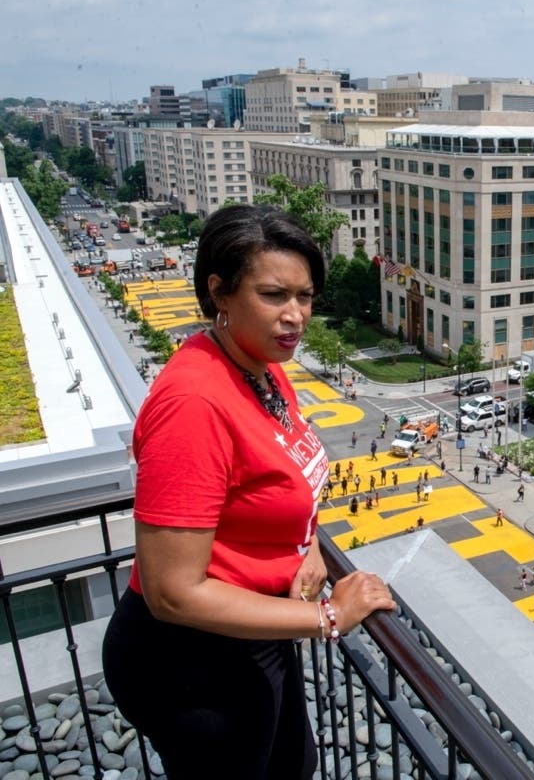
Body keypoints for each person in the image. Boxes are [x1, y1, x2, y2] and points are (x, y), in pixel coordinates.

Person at [101, 205, 396, 780]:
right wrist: (331, 618)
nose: (295, 316)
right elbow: (173, 593)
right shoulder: (195, 404)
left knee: (293, 766)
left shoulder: (260, 364)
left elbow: (276, 477)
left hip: (253, 628)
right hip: (189, 657)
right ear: (221, 293)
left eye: (305, 297)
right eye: (273, 295)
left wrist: (304, 543)